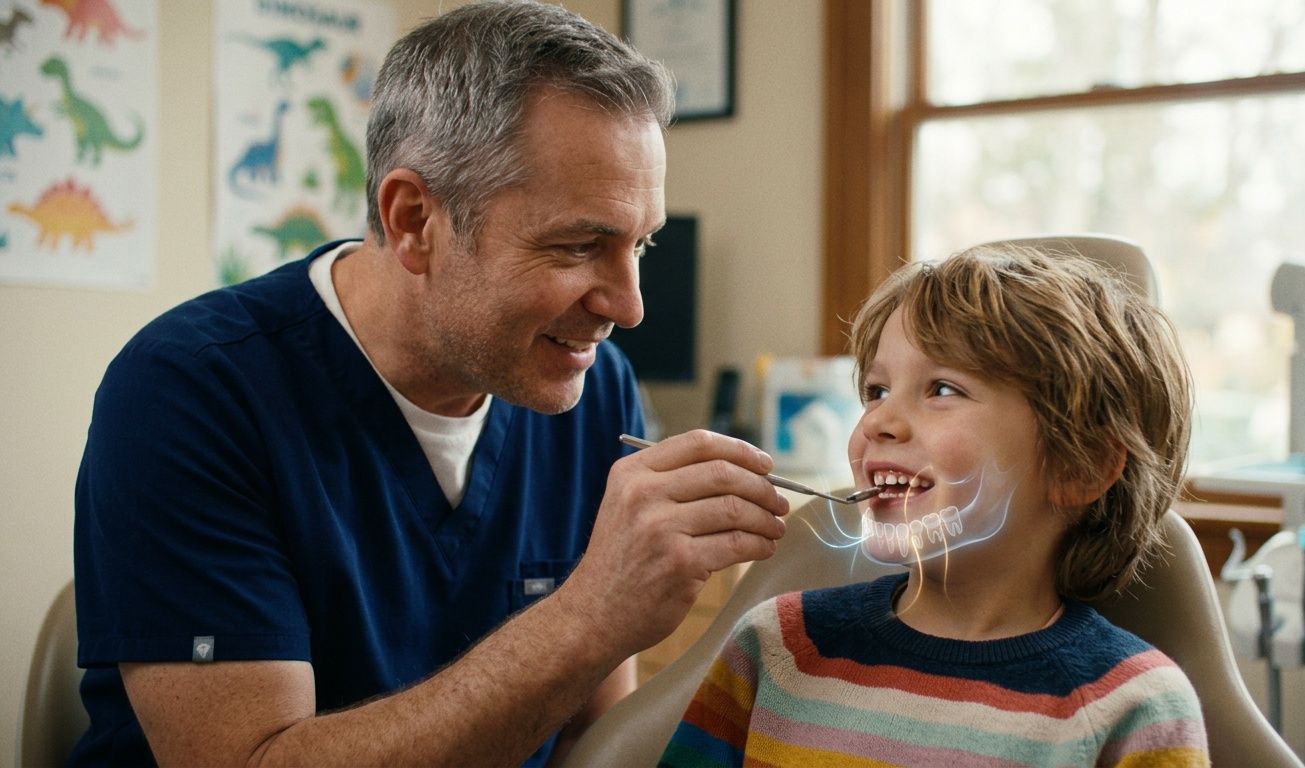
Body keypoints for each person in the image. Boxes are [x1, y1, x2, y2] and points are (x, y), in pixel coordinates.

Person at [71, 3, 791, 766]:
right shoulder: (191, 393)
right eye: (582, 244)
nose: (630, 306)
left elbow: (590, 743)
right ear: (415, 219)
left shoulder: (592, 389)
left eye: (641, 243)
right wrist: (589, 616)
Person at [659, 243, 1210, 766]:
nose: (876, 421)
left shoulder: (1134, 711)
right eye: (876, 391)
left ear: (1080, 467)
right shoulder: (776, 648)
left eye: (942, 389)